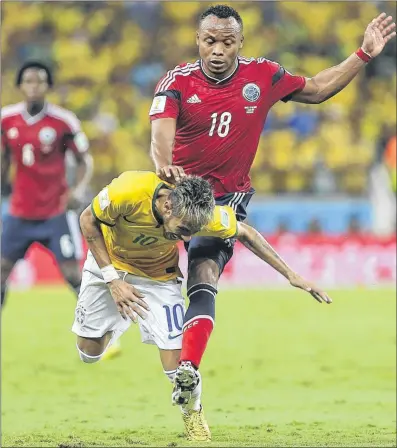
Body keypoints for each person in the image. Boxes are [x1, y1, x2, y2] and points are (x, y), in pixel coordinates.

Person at [149, 3, 395, 401]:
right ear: (197, 40)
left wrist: (363, 53)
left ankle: (189, 369)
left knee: (203, 272)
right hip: (174, 195)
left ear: (240, 43)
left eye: (227, 42)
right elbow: (160, 137)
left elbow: (316, 89)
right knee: (139, 279)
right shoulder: (176, 82)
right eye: (210, 41)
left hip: (225, 198)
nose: (217, 50)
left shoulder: (262, 74)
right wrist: (163, 167)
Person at [74, 170, 331, 442]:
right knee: (88, 353)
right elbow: (87, 220)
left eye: (192, 233)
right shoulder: (129, 190)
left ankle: (193, 413)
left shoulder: (201, 215)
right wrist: (113, 281)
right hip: (109, 268)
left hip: (159, 279)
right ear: (168, 205)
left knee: (178, 368)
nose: (186, 240)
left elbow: (247, 233)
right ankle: (119, 320)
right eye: (184, 230)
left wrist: (292, 275)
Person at [1, 61, 93, 306]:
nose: (34, 86)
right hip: (19, 212)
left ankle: (101, 330)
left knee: (73, 274)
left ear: (48, 86)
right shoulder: (6, 119)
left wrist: (79, 189)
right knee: (1, 271)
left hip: (56, 212)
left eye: (39, 81)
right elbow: (3, 157)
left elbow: (85, 160)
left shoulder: (64, 121)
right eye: (28, 81)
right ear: (20, 85)